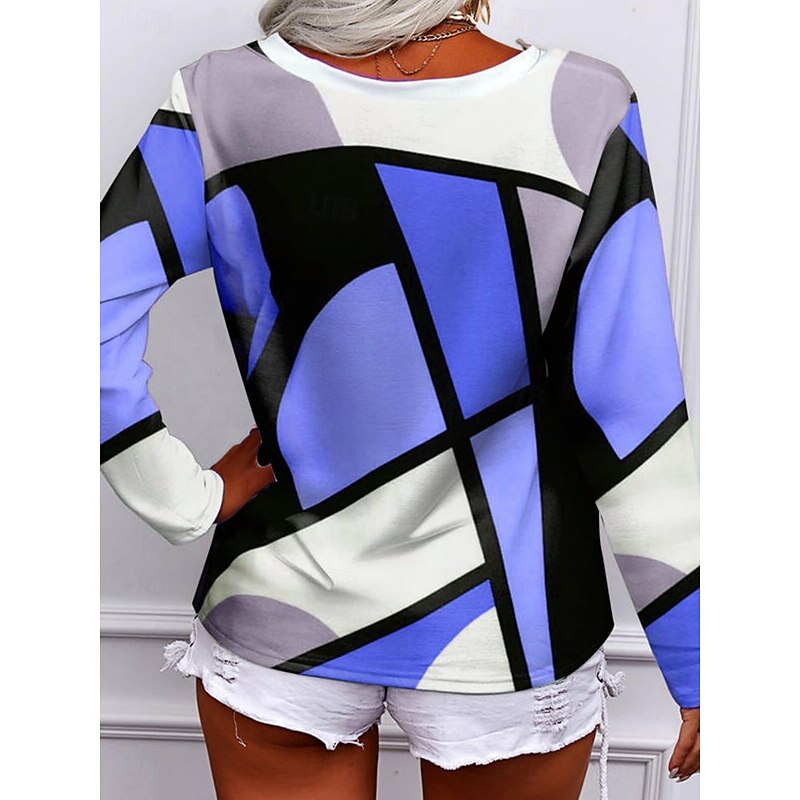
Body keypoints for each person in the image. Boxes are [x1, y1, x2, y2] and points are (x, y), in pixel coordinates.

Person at [100, 1, 700, 798]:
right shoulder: (586, 107)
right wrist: (699, 653)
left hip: (282, 606)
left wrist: (185, 498)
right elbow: (629, 405)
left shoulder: (222, 94)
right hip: (512, 626)